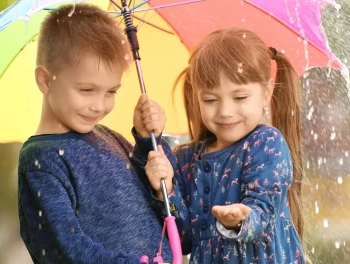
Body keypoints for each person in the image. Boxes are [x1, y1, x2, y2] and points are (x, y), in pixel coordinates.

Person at [17, 4, 172, 263]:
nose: (99, 106)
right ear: (45, 80)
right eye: (87, 90)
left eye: (111, 92)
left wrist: (147, 143)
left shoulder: (108, 137)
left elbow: (156, 206)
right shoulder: (42, 160)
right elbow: (65, 250)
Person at [144, 27, 305, 263]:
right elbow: (184, 239)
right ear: (196, 96)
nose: (225, 112)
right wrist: (165, 190)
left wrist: (242, 219)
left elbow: (263, 210)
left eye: (239, 98)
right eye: (210, 99)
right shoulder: (186, 159)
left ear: (267, 91)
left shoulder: (266, 144)